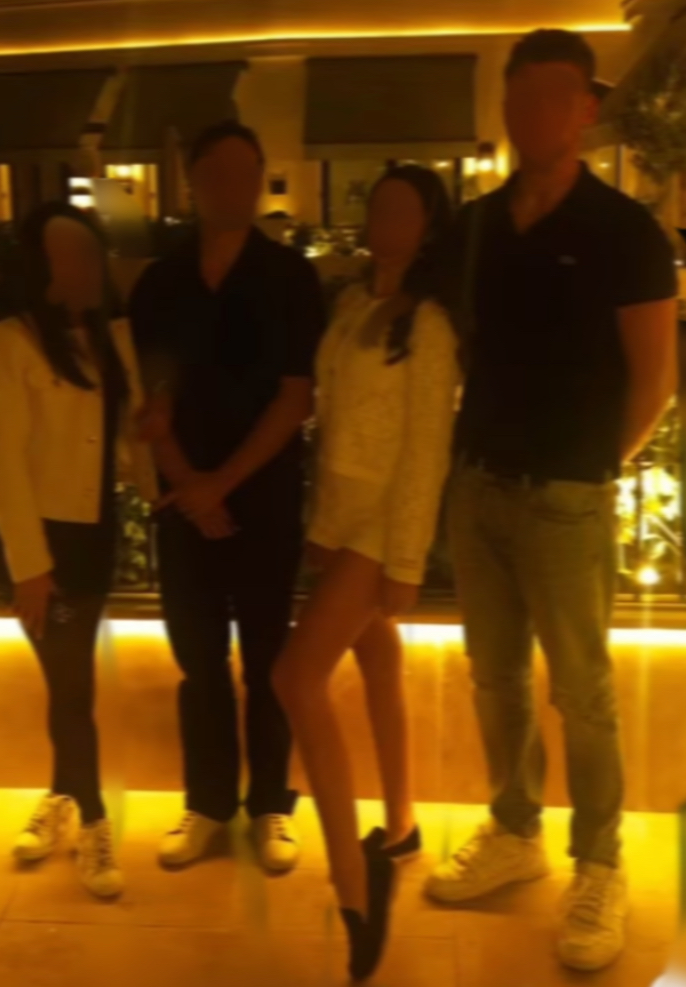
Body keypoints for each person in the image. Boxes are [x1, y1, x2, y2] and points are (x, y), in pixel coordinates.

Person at [425, 29, 678, 973]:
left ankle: (599, 861)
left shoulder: (624, 231)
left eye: (551, 95)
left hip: (566, 496)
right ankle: (514, 828)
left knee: (583, 691)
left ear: (584, 107)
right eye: (518, 94)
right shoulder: (477, 225)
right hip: (477, 485)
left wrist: (587, 470)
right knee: (492, 676)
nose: (531, 112)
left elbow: (653, 381)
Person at [272, 165, 461, 981]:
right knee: (377, 656)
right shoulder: (352, 304)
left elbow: (425, 451)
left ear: (428, 227)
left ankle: (356, 886)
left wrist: (406, 561)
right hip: (343, 518)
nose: (383, 216)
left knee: (295, 678)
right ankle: (403, 823)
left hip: (383, 526)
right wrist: (321, 526)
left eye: (401, 208)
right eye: (377, 203)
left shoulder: (431, 325)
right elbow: (334, 423)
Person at [129, 121, 325, 873]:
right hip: (184, 505)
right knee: (199, 660)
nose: (235, 187)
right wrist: (190, 485)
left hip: (263, 497)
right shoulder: (160, 283)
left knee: (269, 659)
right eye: (220, 173)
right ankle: (208, 802)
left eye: (249, 173)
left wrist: (220, 483)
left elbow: (295, 398)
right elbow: (154, 402)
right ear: (193, 182)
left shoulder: (288, 277)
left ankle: (271, 803)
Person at [0, 202, 157, 898]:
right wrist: (31, 568)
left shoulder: (112, 338)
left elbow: (125, 442)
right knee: (73, 688)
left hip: (93, 531)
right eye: (67, 253)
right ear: (39, 267)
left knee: (69, 681)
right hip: (37, 539)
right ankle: (94, 819)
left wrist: (152, 456)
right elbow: (2, 464)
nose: (84, 265)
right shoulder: (10, 342)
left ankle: (58, 796)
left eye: (89, 252)